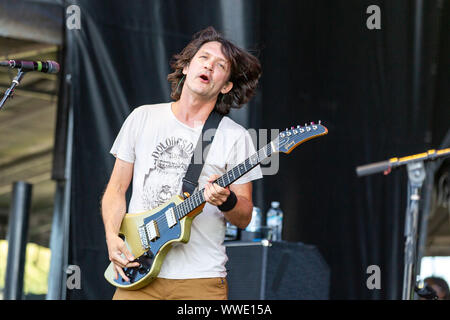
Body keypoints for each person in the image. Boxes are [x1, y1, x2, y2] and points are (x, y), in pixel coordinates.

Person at [101, 26, 263, 300]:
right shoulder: (143, 118)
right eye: (204, 58)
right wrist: (111, 237)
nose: (210, 66)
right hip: (138, 272)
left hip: (200, 280)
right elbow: (116, 190)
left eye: (220, 65)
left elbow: (244, 216)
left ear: (226, 85)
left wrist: (226, 201)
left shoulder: (235, 137)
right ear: (187, 66)